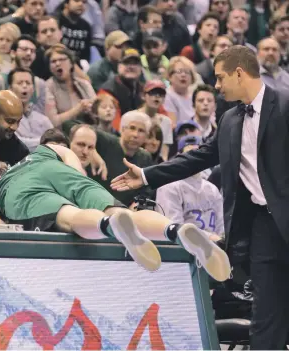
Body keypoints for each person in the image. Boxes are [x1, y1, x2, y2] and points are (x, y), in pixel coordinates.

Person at [111, 45, 289, 350]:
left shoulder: (285, 105)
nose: (216, 86)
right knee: (266, 313)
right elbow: (200, 157)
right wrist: (146, 175)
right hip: (262, 227)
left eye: (220, 78)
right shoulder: (231, 119)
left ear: (239, 72)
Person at [0, 139, 231, 279]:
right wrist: (80, 184)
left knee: (70, 215)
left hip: (23, 192)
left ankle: (106, 226)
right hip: (58, 170)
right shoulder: (42, 151)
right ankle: (173, 230)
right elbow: (70, 159)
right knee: (123, 213)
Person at [156, 135, 224, 239]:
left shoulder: (212, 189)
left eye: (197, 153)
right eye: (189, 154)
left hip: (212, 249)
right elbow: (174, 230)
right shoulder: (169, 187)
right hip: (182, 250)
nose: (194, 160)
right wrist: (210, 238)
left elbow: (222, 227)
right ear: (179, 157)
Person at [8, 67, 53, 151]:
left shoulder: (43, 120)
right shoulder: (6, 119)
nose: (24, 86)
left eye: (28, 83)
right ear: (10, 89)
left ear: (33, 89)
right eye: (20, 83)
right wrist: (46, 142)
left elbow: (55, 140)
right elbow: (16, 143)